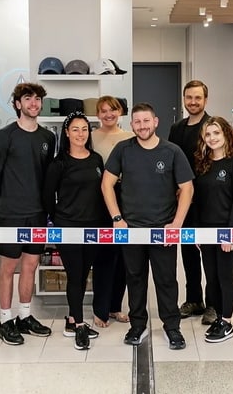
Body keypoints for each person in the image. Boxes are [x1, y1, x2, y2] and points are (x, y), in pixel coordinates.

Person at [101, 103, 194, 350]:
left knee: (166, 280)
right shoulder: (123, 149)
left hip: (162, 230)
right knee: (135, 279)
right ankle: (137, 325)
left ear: (156, 122)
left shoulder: (172, 151)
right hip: (132, 230)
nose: (142, 126)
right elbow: (106, 183)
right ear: (132, 125)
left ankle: (172, 327)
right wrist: (117, 219)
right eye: (137, 122)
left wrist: (176, 224)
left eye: (146, 121)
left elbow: (187, 188)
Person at [0, 82, 55, 346]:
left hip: (38, 213)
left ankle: (24, 316)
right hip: (12, 213)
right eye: (28, 99)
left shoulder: (48, 138)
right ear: (18, 104)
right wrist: (6, 202)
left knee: (30, 265)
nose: (34, 103)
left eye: (37, 99)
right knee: (8, 266)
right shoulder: (5, 136)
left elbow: (48, 177)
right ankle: (5, 320)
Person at [42, 111, 108, 350]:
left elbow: (101, 194)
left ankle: (71, 319)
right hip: (68, 227)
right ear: (67, 133)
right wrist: (59, 219)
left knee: (82, 275)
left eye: (84, 129)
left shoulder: (96, 160)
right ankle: (80, 325)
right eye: (75, 130)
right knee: (75, 274)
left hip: (92, 227)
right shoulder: (59, 164)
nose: (81, 134)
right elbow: (48, 197)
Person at [192, 116, 233, 343]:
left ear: (226, 135)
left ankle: (227, 321)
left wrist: (231, 233)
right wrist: (195, 232)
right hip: (205, 230)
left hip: (227, 229)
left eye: (216, 133)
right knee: (211, 277)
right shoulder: (202, 163)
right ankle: (217, 318)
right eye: (208, 134)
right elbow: (197, 199)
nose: (212, 138)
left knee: (225, 276)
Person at [167, 80, 214, 324]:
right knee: (187, 252)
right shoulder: (177, 128)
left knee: (209, 252)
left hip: (208, 200)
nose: (193, 102)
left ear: (206, 100)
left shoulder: (213, 127)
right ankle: (194, 299)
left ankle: (213, 303)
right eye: (189, 98)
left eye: (198, 98)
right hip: (183, 201)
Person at [90, 96, 134, 328]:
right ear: (98, 114)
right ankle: (100, 310)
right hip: (99, 200)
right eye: (104, 111)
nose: (108, 114)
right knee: (104, 258)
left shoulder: (129, 137)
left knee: (124, 259)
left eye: (113, 110)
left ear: (120, 112)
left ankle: (116, 307)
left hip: (125, 199)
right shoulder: (90, 137)